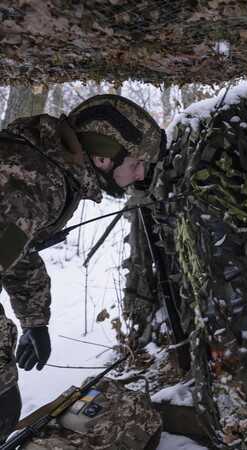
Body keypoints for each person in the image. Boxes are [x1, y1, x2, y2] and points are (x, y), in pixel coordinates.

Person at [0, 94, 163, 442]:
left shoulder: (39, 166)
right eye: (136, 163)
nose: (140, 175)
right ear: (103, 157)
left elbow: (16, 251)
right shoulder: (35, 182)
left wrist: (34, 320)